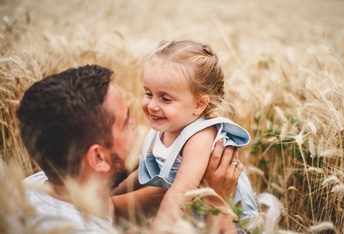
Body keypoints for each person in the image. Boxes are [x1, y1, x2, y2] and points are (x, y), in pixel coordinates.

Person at [17, 64, 245, 233]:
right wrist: (218, 204)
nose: (136, 123)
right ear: (98, 157)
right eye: (126, 122)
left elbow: (107, 210)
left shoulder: (36, 186)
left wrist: (170, 193)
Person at [115, 40, 259, 233]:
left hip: (230, 216)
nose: (152, 105)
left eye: (165, 98)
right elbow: (143, 173)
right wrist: (109, 196)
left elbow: (181, 192)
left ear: (199, 104)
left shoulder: (200, 136)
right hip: (197, 210)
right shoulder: (166, 126)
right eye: (148, 93)